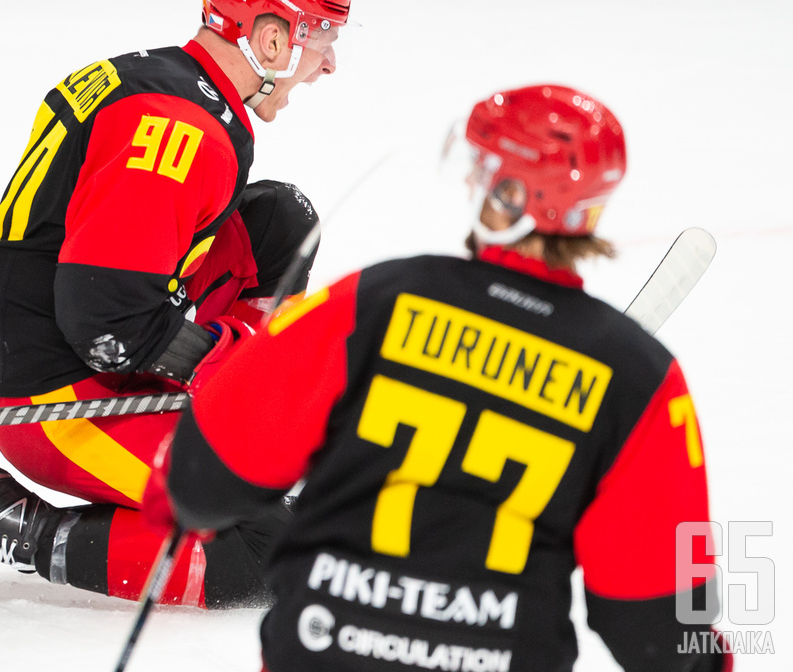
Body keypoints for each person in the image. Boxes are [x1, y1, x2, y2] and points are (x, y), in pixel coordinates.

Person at [146, 84, 733, 671]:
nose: (472, 183)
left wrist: (179, 490)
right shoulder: (638, 377)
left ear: (510, 196)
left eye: (484, 170)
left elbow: (207, 478)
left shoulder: (376, 302)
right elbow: (657, 622)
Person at [0, 0, 353, 614]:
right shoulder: (181, 131)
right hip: (48, 389)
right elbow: (108, 323)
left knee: (278, 223)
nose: (329, 63)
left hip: (41, 320)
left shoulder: (167, 80)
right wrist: (230, 365)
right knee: (271, 545)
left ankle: (234, 432)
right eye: (322, 35)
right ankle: (10, 523)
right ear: (271, 40)